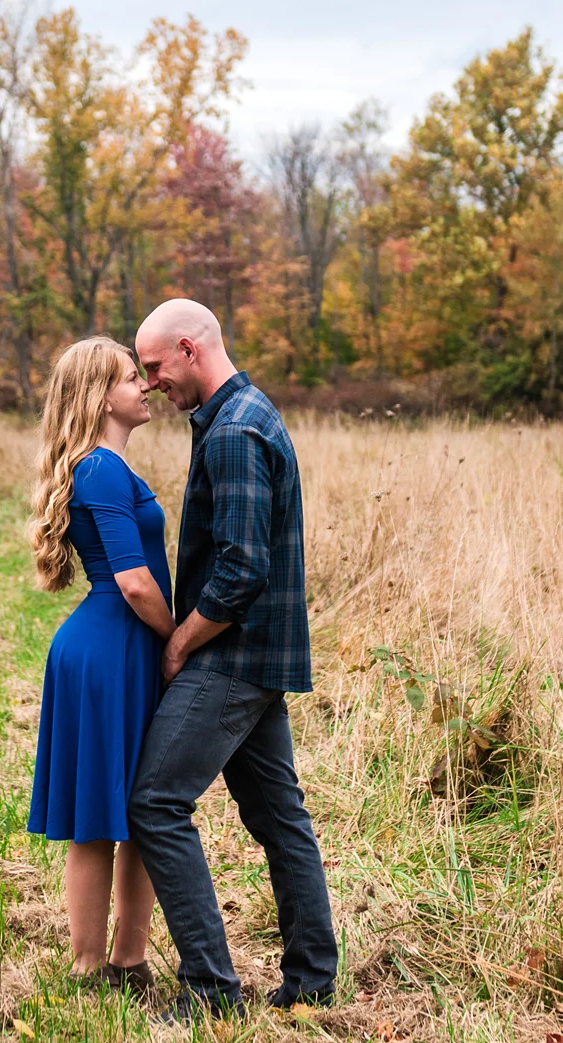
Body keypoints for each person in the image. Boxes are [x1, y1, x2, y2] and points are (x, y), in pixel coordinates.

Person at [127, 298, 338, 1016]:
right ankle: (311, 982)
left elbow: (242, 569)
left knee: (154, 801)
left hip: (234, 657)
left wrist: (181, 641)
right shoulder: (239, 414)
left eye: (155, 366)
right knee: (280, 815)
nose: (151, 382)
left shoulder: (235, 432)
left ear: (190, 348)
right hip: (257, 655)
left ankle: (211, 989)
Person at [25, 335, 178, 990]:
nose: (144, 385)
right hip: (113, 647)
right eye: (128, 377)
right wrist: (180, 642)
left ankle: (127, 960)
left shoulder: (110, 465)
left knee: (135, 811)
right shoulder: (102, 469)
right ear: (97, 395)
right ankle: (94, 964)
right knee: (100, 817)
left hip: (117, 645)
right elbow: (137, 583)